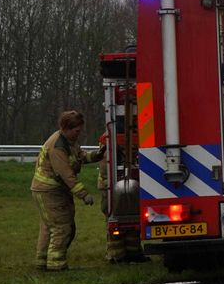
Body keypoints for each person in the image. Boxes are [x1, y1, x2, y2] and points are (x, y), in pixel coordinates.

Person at [31, 110, 104, 271]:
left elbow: (79, 156)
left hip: (51, 190)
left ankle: (42, 262)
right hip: (50, 191)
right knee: (62, 227)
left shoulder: (68, 141)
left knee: (49, 227)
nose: (79, 134)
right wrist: (84, 194)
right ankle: (56, 265)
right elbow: (66, 174)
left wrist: (96, 155)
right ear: (67, 128)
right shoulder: (58, 145)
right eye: (77, 131)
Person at [97, 134, 145, 263]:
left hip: (126, 186)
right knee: (117, 221)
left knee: (132, 221)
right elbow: (105, 169)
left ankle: (131, 253)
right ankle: (117, 256)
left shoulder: (110, 138)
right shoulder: (109, 142)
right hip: (114, 188)